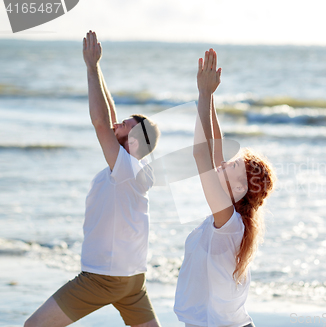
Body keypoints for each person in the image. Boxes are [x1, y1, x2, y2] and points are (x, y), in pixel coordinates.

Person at [24, 31, 162, 327]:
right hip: (133, 282)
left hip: (103, 278)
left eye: (125, 125)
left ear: (134, 141)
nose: (117, 123)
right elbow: (109, 117)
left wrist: (90, 67)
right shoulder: (136, 167)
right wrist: (99, 68)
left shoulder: (126, 168)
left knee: (33, 326)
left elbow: (100, 121)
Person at [173, 48, 276, 327]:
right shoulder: (232, 218)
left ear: (240, 186)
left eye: (231, 166)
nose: (223, 164)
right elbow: (215, 148)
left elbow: (201, 156)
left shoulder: (229, 223)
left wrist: (203, 95)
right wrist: (210, 97)